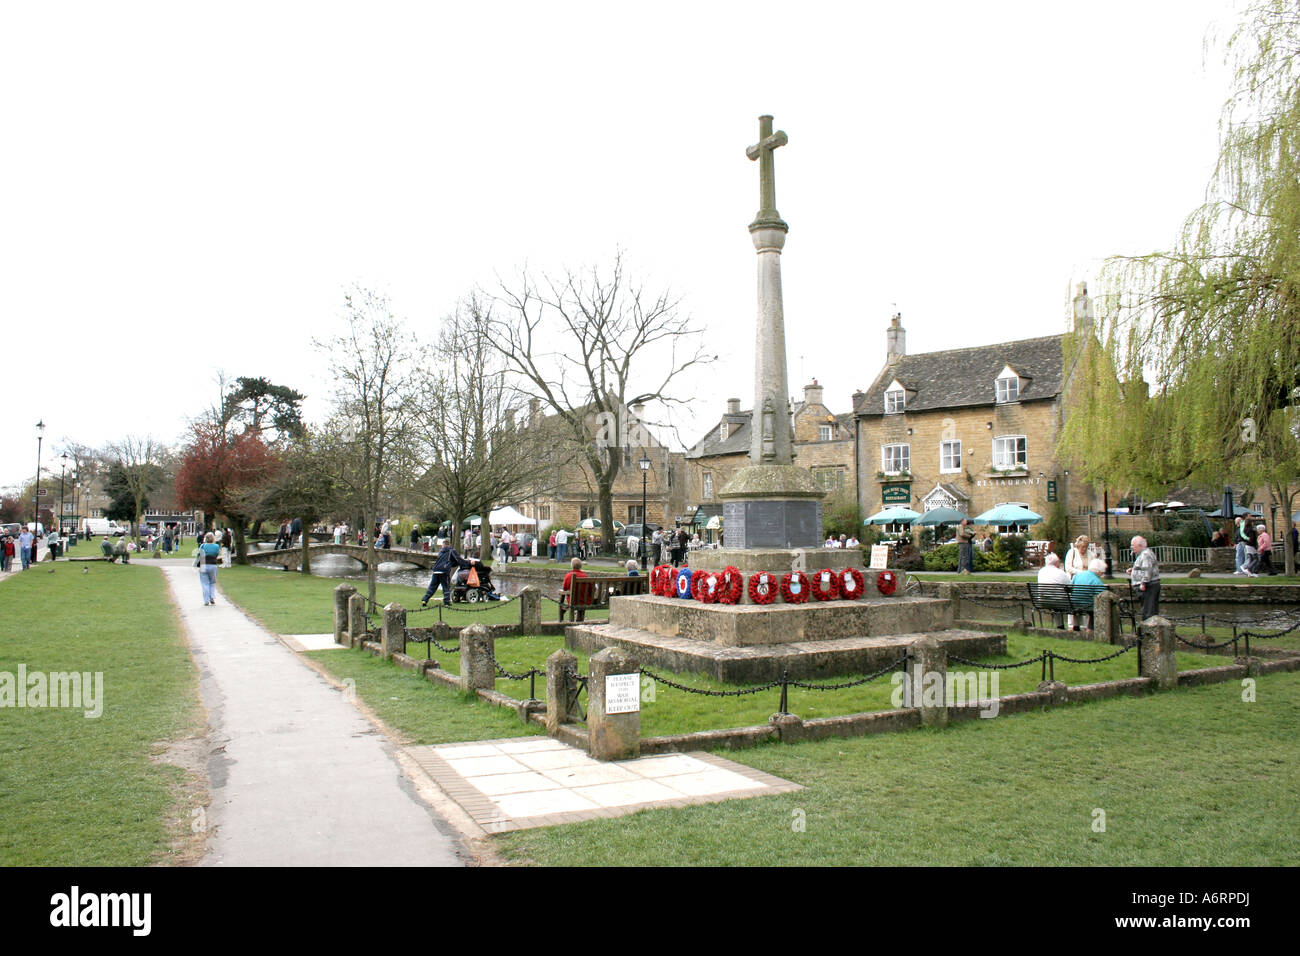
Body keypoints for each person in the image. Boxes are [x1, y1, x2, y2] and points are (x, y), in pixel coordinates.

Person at [421, 541, 474, 607]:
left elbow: (450, 562)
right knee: (446, 586)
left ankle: (425, 600)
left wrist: (453, 564)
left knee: (432, 587)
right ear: (449, 545)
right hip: (444, 571)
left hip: (436, 570)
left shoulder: (440, 552)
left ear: (443, 545)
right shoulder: (451, 551)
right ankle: (446, 602)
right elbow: (458, 559)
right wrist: (468, 563)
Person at [1068, 558, 1107, 631]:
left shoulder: (1078, 575)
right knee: (1095, 607)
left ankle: (1076, 627)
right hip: (1088, 605)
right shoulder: (1096, 581)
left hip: (1074, 604)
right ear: (1098, 571)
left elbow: (1070, 587)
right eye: (1102, 572)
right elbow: (1102, 595)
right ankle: (1090, 629)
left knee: (1078, 605)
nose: (1102, 574)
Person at [1129, 535, 1161, 619]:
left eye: (1133, 545)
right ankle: (1147, 628)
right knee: (1147, 609)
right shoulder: (1143, 554)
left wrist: (1143, 583)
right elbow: (1144, 567)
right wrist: (1134, 570)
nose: (1131, 547)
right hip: (1148, 586)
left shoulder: (1145, 554)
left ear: (1140, 545)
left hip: (1148, 586)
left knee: (1148, 611)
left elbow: (1147, 570)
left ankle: (1149, 629)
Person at [1037, 552, 1072, 628]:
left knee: (1056, 603)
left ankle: (1060, 626)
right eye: (1059, 562)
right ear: (1056, 563)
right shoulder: (1061, 573)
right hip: (1059, 602)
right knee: (1063, 600)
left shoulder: (1041, 572)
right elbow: (1070, 586)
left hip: (1043, 601)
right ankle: (1068, 626)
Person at [560, 557, 589, 622]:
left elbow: (564, 588)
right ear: (581, 566)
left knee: (567, 596)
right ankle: (579, 619)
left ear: (572, 566)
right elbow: (591, 589)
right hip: (583, 601)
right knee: (581, 599)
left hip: (573, 601)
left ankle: (566, 618)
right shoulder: (585, 576)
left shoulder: (568, 576)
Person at [198, 531, 222, 605]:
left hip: (204, 565)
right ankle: (212, 597)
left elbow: (199, 555)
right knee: (212, 582)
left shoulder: (203, 546)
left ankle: (206, 600)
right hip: (213, 565)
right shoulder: (216, 546)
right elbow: (217, 554)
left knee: (205, 583)